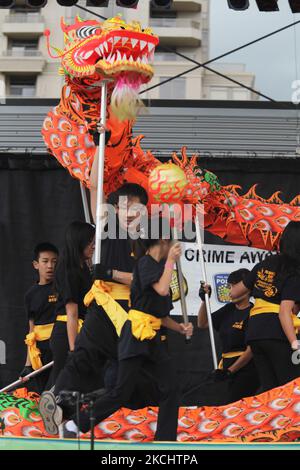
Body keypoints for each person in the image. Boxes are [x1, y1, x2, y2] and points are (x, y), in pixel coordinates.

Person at [39, 218, 194, 441]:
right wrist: (171, 261)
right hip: (134, 337)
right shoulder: (146, 264)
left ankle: (165, 439)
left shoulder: (158, 268)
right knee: (121, 392)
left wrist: (179, 327)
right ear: (163, 240)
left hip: (151, 337)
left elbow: (158, 313)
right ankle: (74, 423)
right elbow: (161, 290)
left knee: (171, 387)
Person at [43, 184, 150, 406]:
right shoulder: (106, 229)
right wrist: (99, 150)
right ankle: (57, 402)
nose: (131, 212)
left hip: (130, 313)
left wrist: (113, 274)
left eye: (137, 208)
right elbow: (94, 186)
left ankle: (108, 414)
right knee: (82, 357)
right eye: (125, 206)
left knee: (129, 368)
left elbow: (146, 281)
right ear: (113, 209)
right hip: (103, 306)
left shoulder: (145, 243)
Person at [228, 221, 300, 392]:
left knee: (270, 390)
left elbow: (234, 293)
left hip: (254, 334)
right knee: (290, 390)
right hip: (276, 333)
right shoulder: (295, 270)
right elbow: (284, 312)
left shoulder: (264, 265)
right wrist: (295, 344)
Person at [198, 269, 260, 404]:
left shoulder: (254, 312)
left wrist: (231, 371)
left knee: (237, 408)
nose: (229, 290)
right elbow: (202, 323)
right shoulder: (229, 309)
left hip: (246, 370)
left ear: (246, 287)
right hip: (226, 370)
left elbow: (251, 350)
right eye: (228, 286)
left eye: (232, 286)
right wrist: (204, 301)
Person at [49, 221, 95, 384]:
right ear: (79, 241)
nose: (94, 246)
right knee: (63, 383)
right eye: (90, 242)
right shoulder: (68, 269)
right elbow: (72, 312)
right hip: (67, 332)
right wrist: (74, 349)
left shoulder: (83, 267)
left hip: (82, 330)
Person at [20, 243, 59, 393]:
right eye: (45, 261)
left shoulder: (62, 287)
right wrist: (28, 364)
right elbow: (31, 330)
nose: (50, 266)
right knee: (42, 393)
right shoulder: (30, 294)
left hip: (60, 346)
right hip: (41, 352)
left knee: (57, 390)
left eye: (54, 261)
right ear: (36, 265)